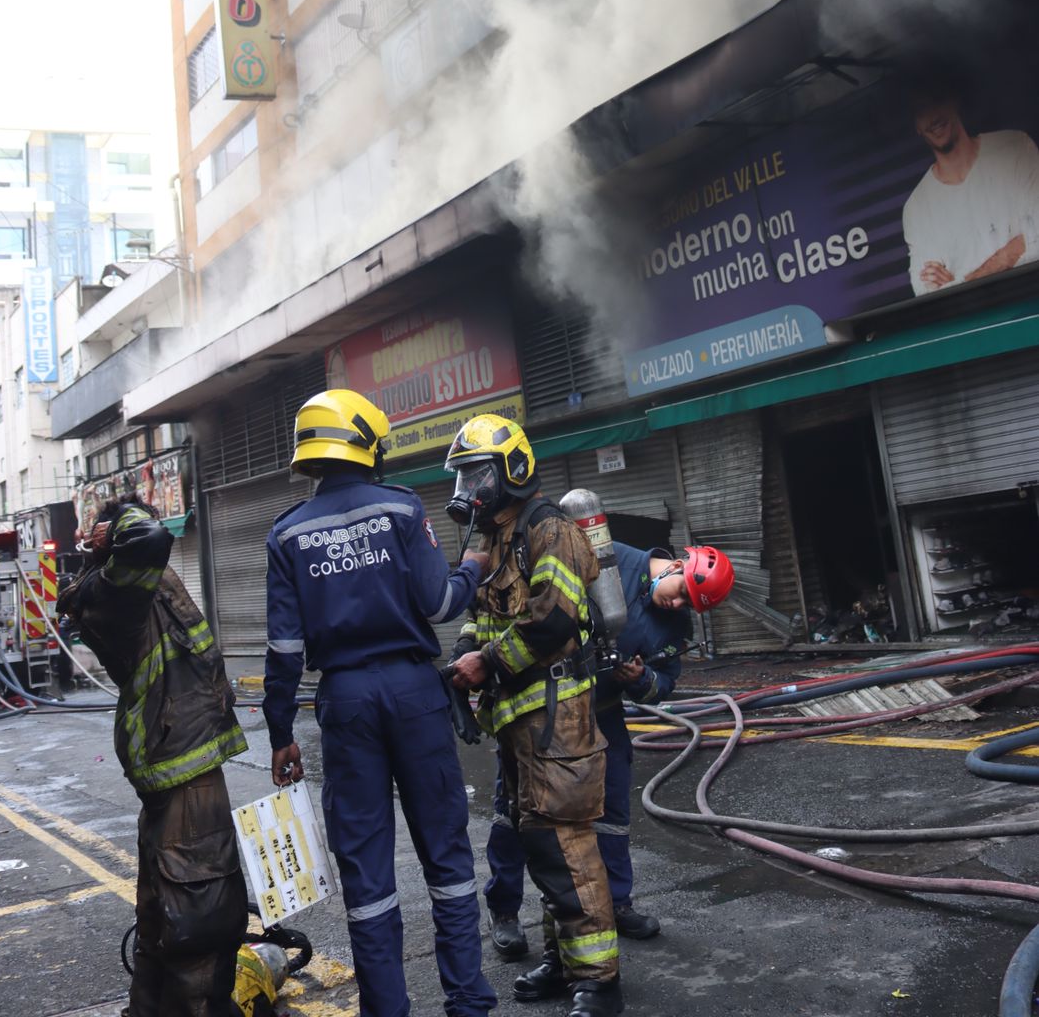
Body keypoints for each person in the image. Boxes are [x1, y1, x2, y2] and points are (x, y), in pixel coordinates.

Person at [261, 388, 497, 1017]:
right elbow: (441, 605)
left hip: (344, 702)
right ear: (364, 442)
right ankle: (468, 1000)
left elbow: (284, 649)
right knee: (445, 852)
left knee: (366, 872)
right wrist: (472, 566)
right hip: (415, 693)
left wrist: (280, 731)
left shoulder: (286, 535)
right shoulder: (399, 509)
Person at [479, 541, 734, 957]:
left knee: (612, 811)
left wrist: (640, 677)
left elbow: (663, 682)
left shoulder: (675, 628)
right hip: (547, 707)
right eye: (684, 591)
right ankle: (504, 910)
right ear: (676, 565)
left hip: (603, 712)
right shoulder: (604, 553)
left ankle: (616, 903)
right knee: (517, 807)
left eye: (691, 604)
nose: (679, 605)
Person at [447, 414, 622, 1017]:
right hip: (520, 722)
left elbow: (552, 621)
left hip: (557, 716)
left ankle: (600, 980)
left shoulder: (550, 530)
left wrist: (487, 665)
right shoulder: (499, 538)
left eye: (477, 474)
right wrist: (464, 657)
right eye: (464, 475)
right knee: (538, 840)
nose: (468, 488)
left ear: (512, 471)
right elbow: (479, 616)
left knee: (564, 841)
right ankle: (565, 960)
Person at [57, 494, 249, 1017]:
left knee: (163, 915)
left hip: (178, 758)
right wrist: (114, 524)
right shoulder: (118, 592)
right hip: (181, 763)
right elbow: (148, 536)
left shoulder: (126, 589)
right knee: (200, 915)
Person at [903, 86, 1039, 295]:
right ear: (917, 127)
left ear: (954, 102)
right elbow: (924, 291)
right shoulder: (916, 207)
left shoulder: (1014, 146)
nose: (933, 117)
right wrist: (1011, 251)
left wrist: (959, 282)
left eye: (937, 101)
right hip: (979, 322)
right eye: (922, 111)